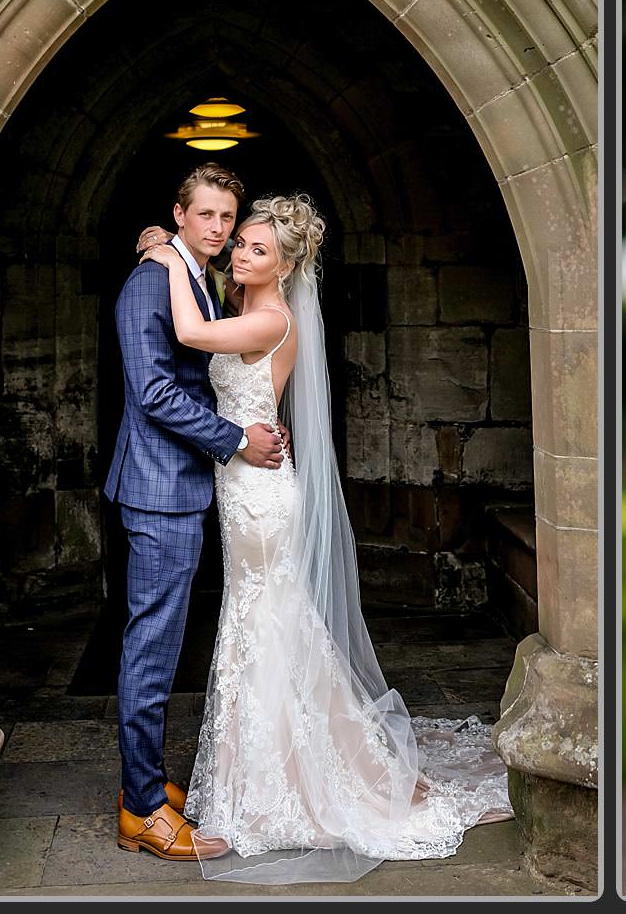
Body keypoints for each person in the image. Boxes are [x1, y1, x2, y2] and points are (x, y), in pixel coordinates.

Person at [131, 190, 512, 883]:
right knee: (269, 622)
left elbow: (187, 332)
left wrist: (163, 255)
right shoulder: (246, 301)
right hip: (242, 481)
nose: (239, 252)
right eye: (239, 242)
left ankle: (297, 782)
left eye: (256, 248)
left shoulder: (267, 317)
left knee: (266, 622)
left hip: (260, 496)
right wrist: (169, 239)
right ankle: (274, 766)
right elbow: (208, 297)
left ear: (284, 266)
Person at [104, 162, 285, 862]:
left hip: (178, 483)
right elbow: (153, 392)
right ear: (179, 215)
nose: (216, 229)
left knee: (161, 640)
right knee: (152, 646)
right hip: (158, 488)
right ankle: (141, 809)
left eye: (225, 219)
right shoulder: (151, 279)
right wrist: (237, 438)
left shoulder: (188, 273)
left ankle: (146, 783)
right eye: (204, 215)